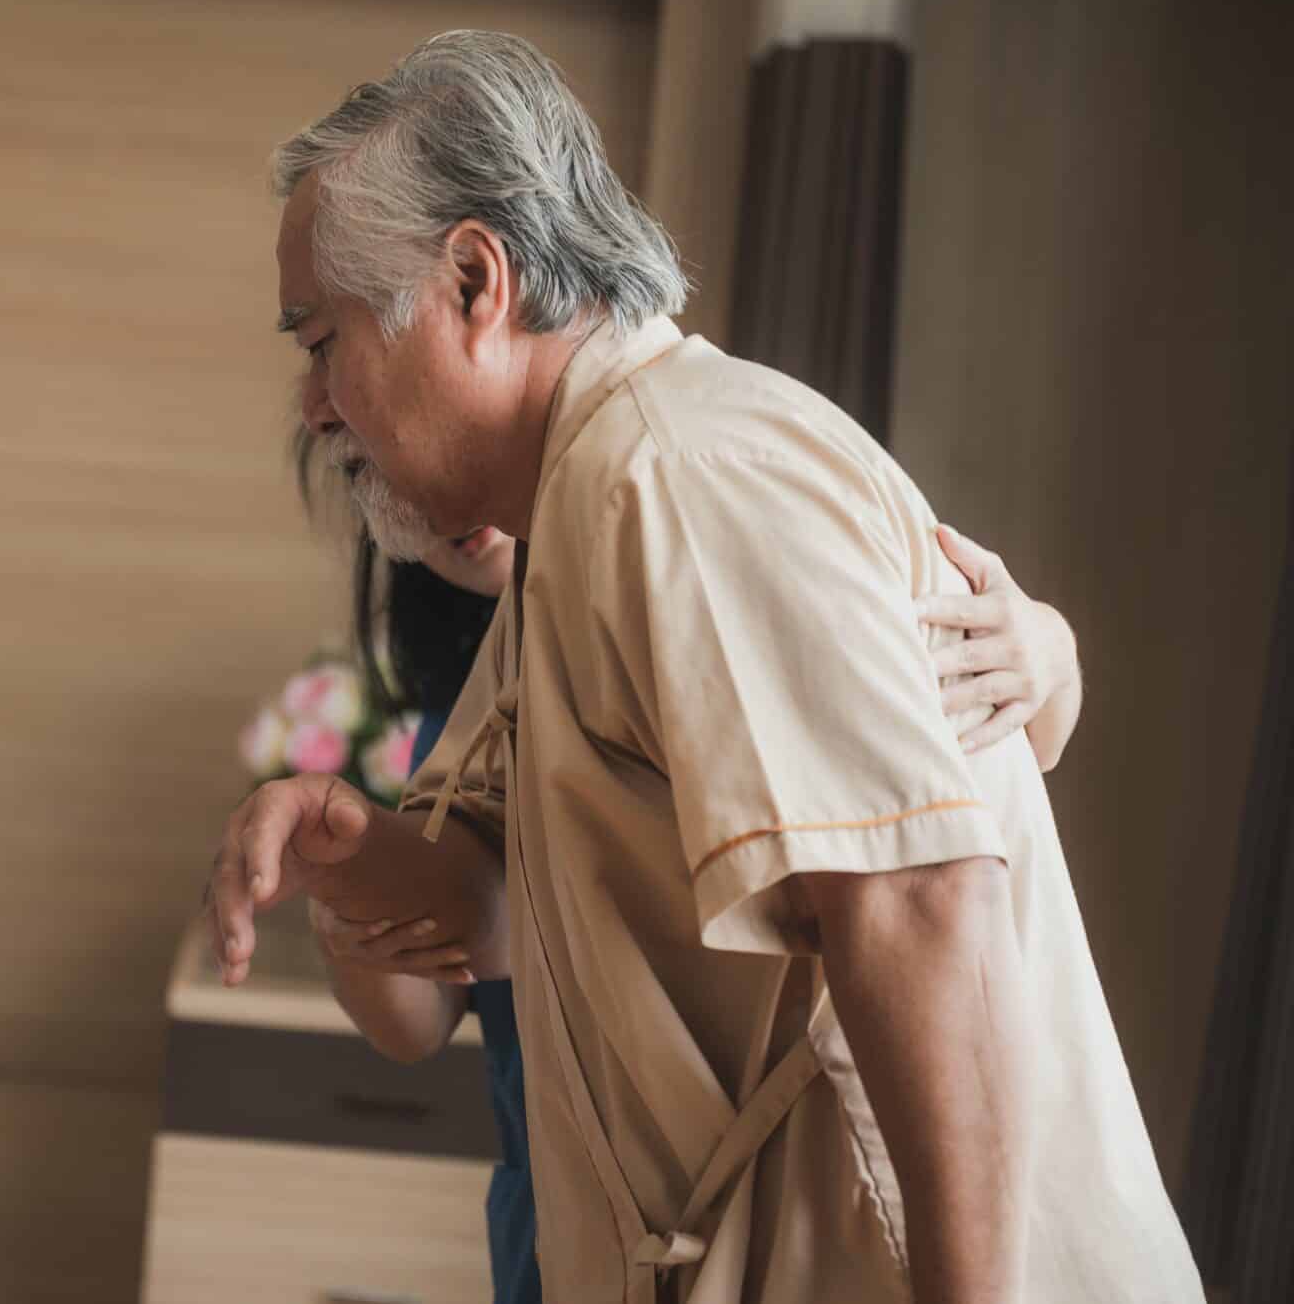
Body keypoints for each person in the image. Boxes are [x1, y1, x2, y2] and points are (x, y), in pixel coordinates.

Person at [208, 31, 1204, 1303]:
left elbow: (917, 902)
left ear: (471, 281)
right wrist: (341, 842)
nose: (312, 405)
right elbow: (497, 907)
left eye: (319, 341)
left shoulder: (682, 475)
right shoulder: (582, 507)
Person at [295, 478, 1085, 1304]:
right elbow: (418, 1016)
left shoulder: (701, 574)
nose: (432, 491)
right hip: (573, 1203)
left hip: (774, 1178)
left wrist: (1052, 650)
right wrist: (342, 885)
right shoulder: (456, 727)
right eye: (370, 472)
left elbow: (1012, 756)